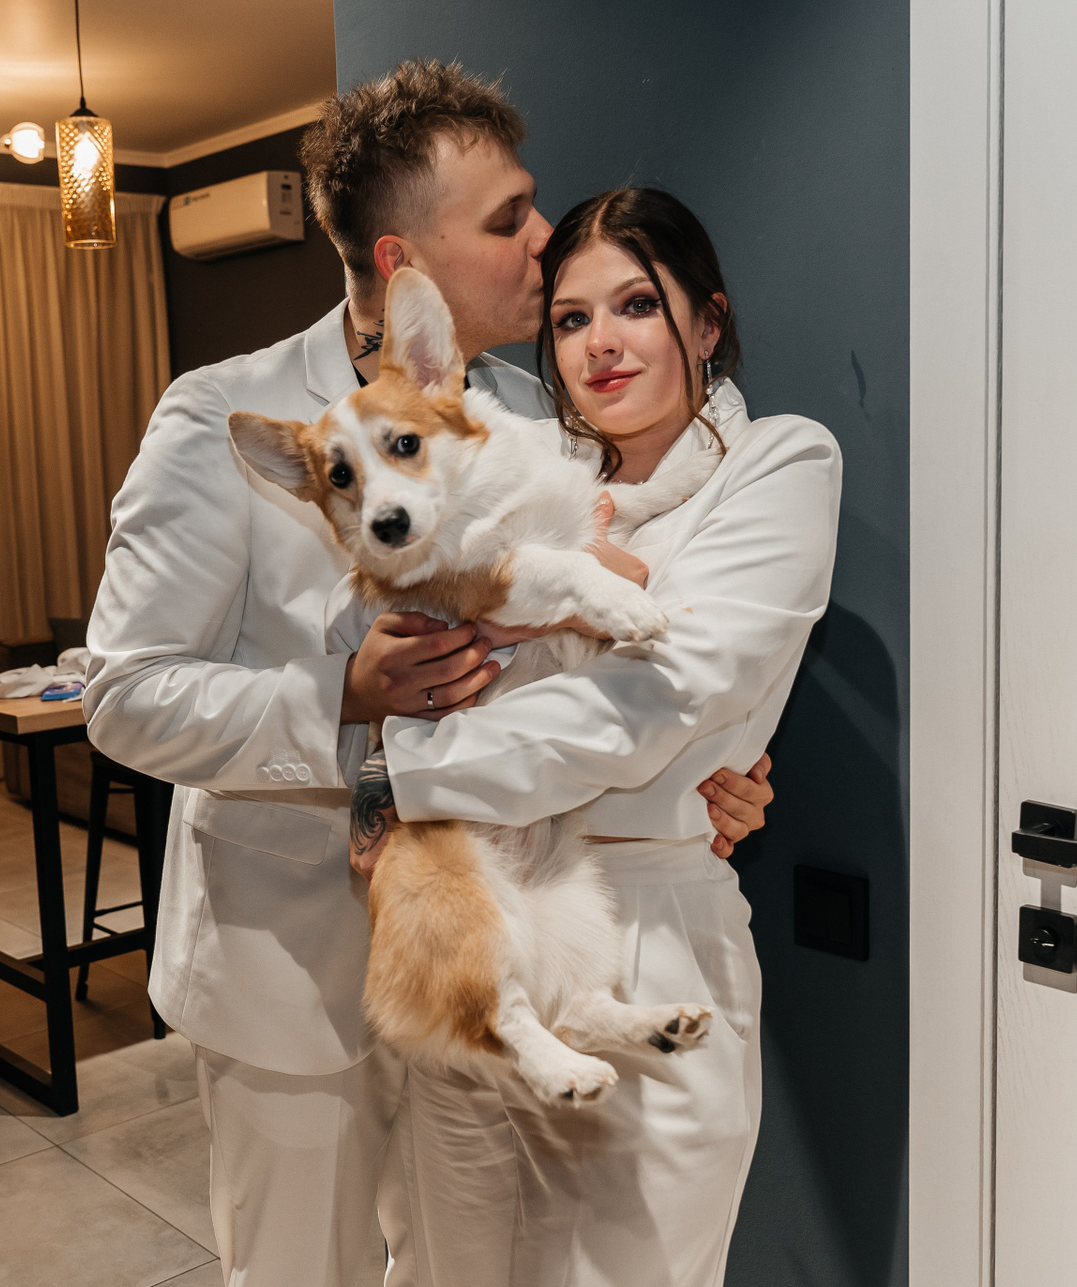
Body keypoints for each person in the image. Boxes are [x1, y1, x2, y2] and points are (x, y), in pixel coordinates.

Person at [82, 62, 775, 1287]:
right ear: (407, 261)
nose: (544, 237)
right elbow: (123, 696)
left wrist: (710, 771)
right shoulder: (219, 418)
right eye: (508, 219)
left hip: (505, 952)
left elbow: (590, 628)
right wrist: (344, 697)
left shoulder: (526, 408)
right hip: (295, 979)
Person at [344, 187, 841, 1287]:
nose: (600, 344)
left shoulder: (780, 465)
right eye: (571, 318)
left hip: (647, 933)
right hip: (469, 936)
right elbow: (393, 642)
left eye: (637, 305)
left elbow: (658, 702)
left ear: (707, 323)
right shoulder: (517, 476)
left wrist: (396, 774)